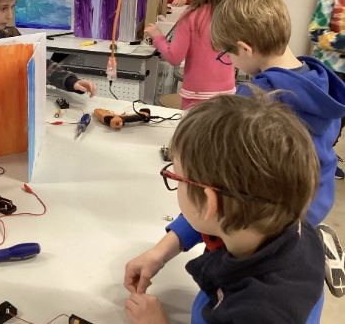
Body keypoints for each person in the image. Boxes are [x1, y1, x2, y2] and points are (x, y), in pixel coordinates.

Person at [125, 93, 325, 324]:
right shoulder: (281, 216)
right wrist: (159, 253)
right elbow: (217, 215)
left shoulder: (255, 314)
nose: (176, 182)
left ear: (209, 201)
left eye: (178, 177)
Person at [143, 0, 235, 110]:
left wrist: (157, 37)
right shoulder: (232, 15)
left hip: (197, 95)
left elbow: (174, 57)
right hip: (228, 92)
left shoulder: (191, 15)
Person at [309, 0, 345, 180]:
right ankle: (315, 161)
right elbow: (316, 33)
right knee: (327, 121)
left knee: (341, 122)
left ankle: (327, 155)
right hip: (333, 71)